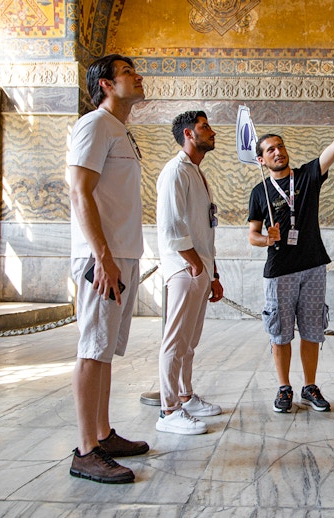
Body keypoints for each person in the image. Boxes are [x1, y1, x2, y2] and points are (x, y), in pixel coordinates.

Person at [248, 81, 334, 413]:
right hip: (279, 271)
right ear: (262, 160)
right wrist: (268, 238)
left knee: (312, 331)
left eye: (281, 146)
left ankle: (310, 386)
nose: (278, 152)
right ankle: (284, 389)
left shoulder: (308, 175)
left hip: (312, 267)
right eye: (270, 150)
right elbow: (252, 235)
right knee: (280, 333)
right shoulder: (259, 192)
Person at [67, 54, 148, 484]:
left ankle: (102, 433)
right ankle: (86, 451)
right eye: (127, 72)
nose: (137, 76)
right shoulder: (94, 124)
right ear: (105, 85)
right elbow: (80, 191)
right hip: (104, 258)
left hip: (121, 255)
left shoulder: (120, 130)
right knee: (91, 349)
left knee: (105, 351)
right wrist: (102, 256)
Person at [155, 110, 224, 435]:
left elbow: (204, 229)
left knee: (190, 341)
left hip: (199, 267)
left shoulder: (196, 172)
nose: (212, 132)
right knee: (175, 340)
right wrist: (195, 263)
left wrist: (213, 273)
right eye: (204, 127)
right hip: (184, 268)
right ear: (187, 133)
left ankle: (185, 395)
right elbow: (171, 227)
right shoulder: (175, 171)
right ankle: (169, 410)